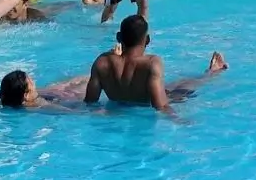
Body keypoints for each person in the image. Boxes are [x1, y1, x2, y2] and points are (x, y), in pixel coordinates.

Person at [84, 15, 228, 115]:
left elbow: (90, 102)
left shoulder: (102, 63)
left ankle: (210, 72)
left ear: (118, 37)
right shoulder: (151, 63)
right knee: (182, 88)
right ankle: (211, 73)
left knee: (172, 86)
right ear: (147, 40)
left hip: (118, 109)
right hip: (145, 109)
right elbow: (161, 105)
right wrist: (179, 120)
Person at [0, 70, 91, 109]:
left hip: (52, 95)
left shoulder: (8, 96)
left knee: (68, 84)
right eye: (31, 82)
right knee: (78, 90)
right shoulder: (41, 105)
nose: (34, 83)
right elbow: (74, 112)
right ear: (26, 95)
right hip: (67, 100)